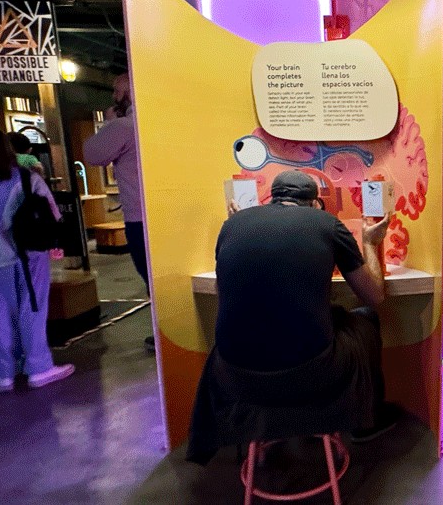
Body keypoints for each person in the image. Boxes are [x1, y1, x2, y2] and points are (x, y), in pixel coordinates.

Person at [186, 170, 396, 465]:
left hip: (234, 376)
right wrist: (371, 243)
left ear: (272, 198)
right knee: (365, 318)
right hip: (310, 375)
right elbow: (374, 294)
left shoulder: (232, 225)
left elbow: (226, 296)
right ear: (315, 204)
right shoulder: (327, 225)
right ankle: (367, 422)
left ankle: (255, 435)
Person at [0, 127, 74, 393]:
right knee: (33, 308)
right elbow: (53, 215)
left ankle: (3, 372)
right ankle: (39, 367)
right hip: (28, 256)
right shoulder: (26, 178)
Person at [83, 73, 153, 350]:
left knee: (151, 278)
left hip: (140, 218)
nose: (113, 95)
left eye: (117, 90)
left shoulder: (124, 126)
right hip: (165, 215)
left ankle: (163, 336)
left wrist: (109, 124)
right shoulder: (155, 121)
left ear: (128, 93)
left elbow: (93, 154)